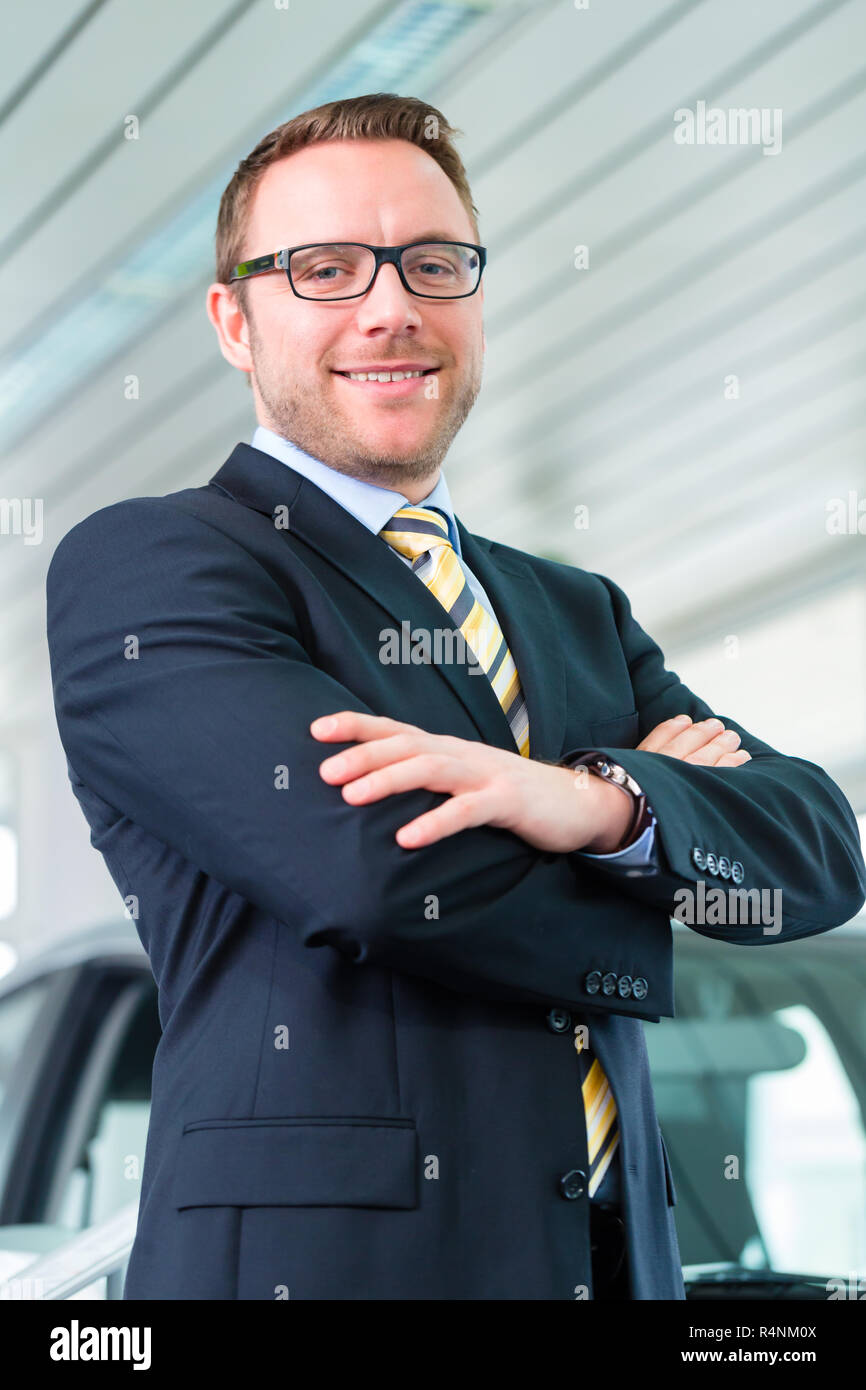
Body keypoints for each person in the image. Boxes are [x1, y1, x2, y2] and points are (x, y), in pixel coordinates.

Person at [45, 93, 865, 1301]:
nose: (390, 306)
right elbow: (374, 872)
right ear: (232, 318)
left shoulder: (573, 608)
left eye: (432, 263)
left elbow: (817, 851)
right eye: (324, 268)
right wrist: (664, 847)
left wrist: (590, 804)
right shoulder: (159, 565)